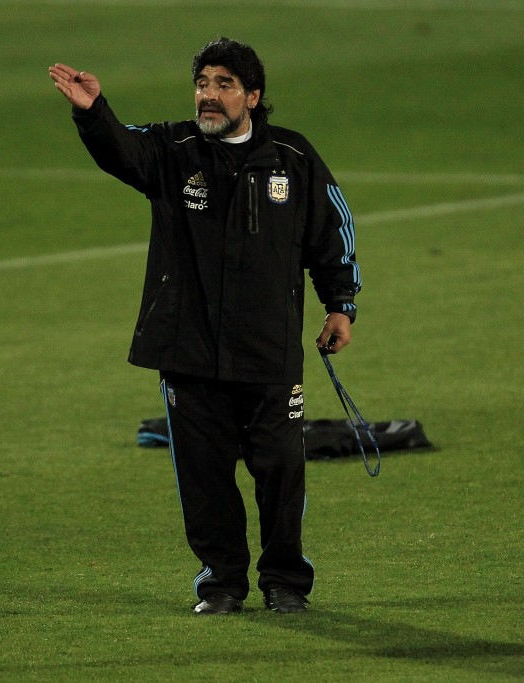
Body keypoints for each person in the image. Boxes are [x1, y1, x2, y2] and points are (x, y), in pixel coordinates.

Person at [49, 37, 360, 615]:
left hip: (269, 350)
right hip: (189, 347)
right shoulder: (173, 147)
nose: (208, 96)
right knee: (204, 474)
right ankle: (221, 583)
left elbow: (331, 232)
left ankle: (285, 582)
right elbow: (121, 151)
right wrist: (93, 112)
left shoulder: (293, 158)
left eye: (224, 85)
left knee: (282, 472)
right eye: (203, 84)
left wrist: (340, 303)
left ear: (253, 96)